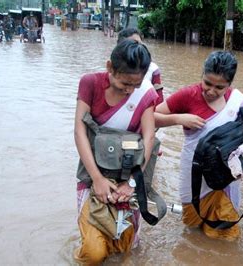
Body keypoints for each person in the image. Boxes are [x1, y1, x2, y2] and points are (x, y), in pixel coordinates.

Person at [155, 51, 243, 241]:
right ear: (202, 76)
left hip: (227, 176)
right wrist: (178, 118)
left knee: (225, 235)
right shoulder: (188, 95)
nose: (211, 91)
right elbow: (150, 117)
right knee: (192, 225)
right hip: (194, 173)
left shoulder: (238, 102)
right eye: (207, 83)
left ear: (230, 84)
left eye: (219, 87)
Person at [74, 40, 158, 264]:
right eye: (124, 83)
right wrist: (97, 179)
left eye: (136, 84)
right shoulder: (89, 83)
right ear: (110, 67)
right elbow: (79, 131)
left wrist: (132, 183)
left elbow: (149, 137)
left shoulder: (146, 94)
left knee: (125, 248)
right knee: (93, 253)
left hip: (128, 177)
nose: (130, 90)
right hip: (94, 174)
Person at [118, 28, 164, 104]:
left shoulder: (152, 68)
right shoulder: (115, 66)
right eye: (132, 44)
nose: (137, 47)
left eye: (139, 43)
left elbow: (159, 100)